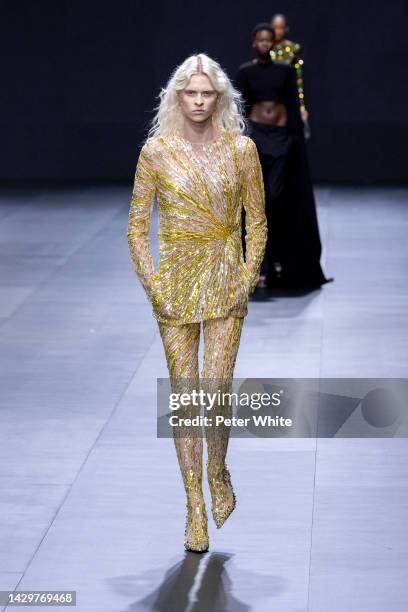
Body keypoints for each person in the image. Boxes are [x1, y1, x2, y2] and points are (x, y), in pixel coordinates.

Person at [126, 53, 267, 552]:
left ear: (221, 96)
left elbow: (258, 219)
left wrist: (248, 276)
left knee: (216, 391)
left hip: (227, 279)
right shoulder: (157, 153)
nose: (200, 101)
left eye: (208, 93)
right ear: (178, 97)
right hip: (176, 284)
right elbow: (137, 228)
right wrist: (154, 285)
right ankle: (193, 504)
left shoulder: (241, 150)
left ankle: (219, 471)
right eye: (192, 93)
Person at [234, 23, 332, 290]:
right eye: (261, 40)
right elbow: (239, 107)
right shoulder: (245, 72)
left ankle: (278, 259)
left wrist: (293, 139)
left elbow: (291, 103)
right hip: (256, 136)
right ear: (254, 43)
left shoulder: (286, 72)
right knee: (256, 200)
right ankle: (261, 264)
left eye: (269, 40)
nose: (265, 44)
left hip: (280, 137)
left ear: (273, 44)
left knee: (276, 197)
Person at [270, 13, 311, 138]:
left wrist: (302, 106)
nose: (277, 31)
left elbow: (298, 79)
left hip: (287, 98)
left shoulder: (293, 48)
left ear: (286, 29)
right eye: (274, 27)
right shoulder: (266, 47)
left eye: (280, 27)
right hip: (269, 99)